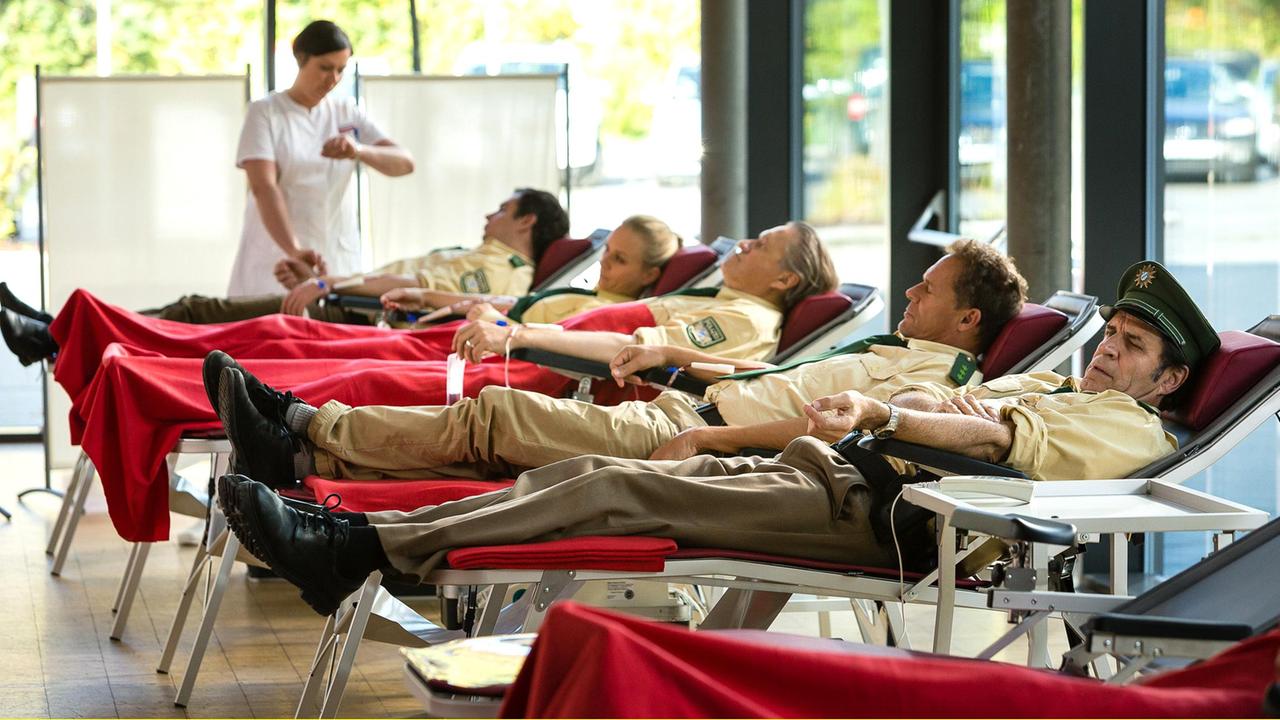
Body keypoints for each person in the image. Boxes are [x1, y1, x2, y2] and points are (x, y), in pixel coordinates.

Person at [217, 261, 1221, 616]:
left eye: (1129, 349)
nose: (1104, 357)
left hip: (878, 510)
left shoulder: (1121, 432)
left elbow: (992, 438)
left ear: (1166, 380)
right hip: (824, 468)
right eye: (1110, 339)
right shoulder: (1054, 386)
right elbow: (984, 418)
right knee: (593, 472)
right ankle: (348, 527)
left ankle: (356, 546)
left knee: (617, 493)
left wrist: (882, 415)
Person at [211, 240, 1026, 487]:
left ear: (968, 319)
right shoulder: (888, 349)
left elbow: (825, 426)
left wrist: (705, 435)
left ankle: (305, 428)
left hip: (702, 437)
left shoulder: (927, 386)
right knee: (479, 426)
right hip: (690, 411)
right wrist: (677, 357)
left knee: (493, 415)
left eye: (929, 288)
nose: (910, 293)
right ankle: (302, 449)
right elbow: (766, 383)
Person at [228, 20, 414, 297]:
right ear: (301, 59)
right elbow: (264, 188)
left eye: (341, 70)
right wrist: (294, 251)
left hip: (335, 258)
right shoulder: (265, 112)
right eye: (325, 68)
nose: (333, 79)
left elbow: (404, 163)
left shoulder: (346, 112)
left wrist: (358, 151)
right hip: (277, 259)